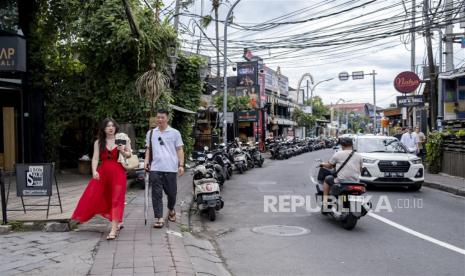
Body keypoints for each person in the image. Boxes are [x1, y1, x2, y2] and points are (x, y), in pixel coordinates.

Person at [72, 118, 132, 240]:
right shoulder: (99, 142)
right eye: (108, 126)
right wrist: (94, 171)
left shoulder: (121, 138)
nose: (111, 128)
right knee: (97, 195)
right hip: (103, 172)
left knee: (116, 199)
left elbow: (129, 154)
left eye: (113, 126)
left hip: (118, 172)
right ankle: (117, 221)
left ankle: (113, 229)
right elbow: (95, 158)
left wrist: (122, 151)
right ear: (103, 129)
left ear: (116, 127)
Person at [145, 109, 184, 228]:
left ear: (167, 118)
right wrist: (146, 161)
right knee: (156, 194)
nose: (159, 120)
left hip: (171, 168)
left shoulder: (175, 133)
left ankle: (171, 209)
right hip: (155, 168)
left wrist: (181, 165)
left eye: (162, 117)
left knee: (172, 194)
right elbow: (148, 149)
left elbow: (179, 149)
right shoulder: (151, 133)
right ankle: (159, 218)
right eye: (158, 117)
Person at [319, 137, 363, 211]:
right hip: (355, 181)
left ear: (342, 145)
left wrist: (322, 164)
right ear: (352, 145)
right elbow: (360, 169)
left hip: (341, 181)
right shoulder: (359, 155)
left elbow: (329, 166)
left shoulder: (338, 154)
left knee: (327, 179)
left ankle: (325, 201)